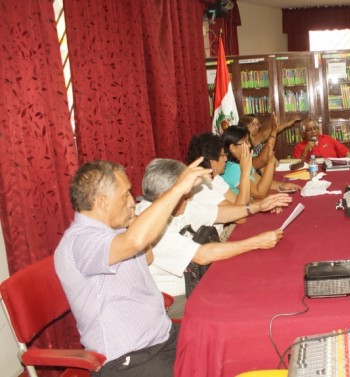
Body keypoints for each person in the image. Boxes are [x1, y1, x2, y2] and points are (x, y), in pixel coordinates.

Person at [54, 158, 211, 376]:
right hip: (128, 358)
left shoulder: (115, 230)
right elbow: (135, 243)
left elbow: (146, 256)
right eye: (125, 194)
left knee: (220, 345)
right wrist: (177, 189)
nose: (131, 202)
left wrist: (133, 223)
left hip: (162, 336)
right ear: (102, 202)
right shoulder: (80, 241)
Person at [136, 159, 292, 318]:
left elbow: (219, 214)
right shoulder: (148, 224)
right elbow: (201, 255)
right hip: (177, 298)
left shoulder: (176, 206)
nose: (189, 197)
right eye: (185, 193)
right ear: (167, 195)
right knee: (244, 303)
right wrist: (256, 242)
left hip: (198, 280)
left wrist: (257, 207)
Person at [223, 125, 301, 199]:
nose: (249, 145)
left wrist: (282, 185)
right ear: (233, 148)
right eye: (245, 142)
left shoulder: (242, 162)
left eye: (248, 141)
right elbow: (259, 193)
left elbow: (260, 182)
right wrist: (270, 163)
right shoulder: (232, 169)